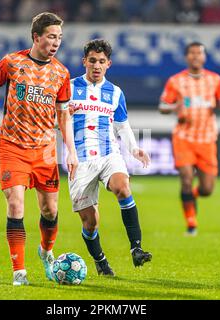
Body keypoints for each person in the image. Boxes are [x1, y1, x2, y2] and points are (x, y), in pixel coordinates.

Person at [0, 12, 78, 286]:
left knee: (50, 210)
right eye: (51, 37)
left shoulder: (61, 73)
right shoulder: (12, 62)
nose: (56, 43)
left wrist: (71, 150)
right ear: (36, 36)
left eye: (60, 38)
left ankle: (46, 250)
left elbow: (63, 114)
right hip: (12, 146)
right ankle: (19, 272)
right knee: (15, 204)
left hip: (45, 150)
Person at [68, 39, 152, 276]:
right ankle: (100, 260)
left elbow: (122, 125)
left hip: (108, 154)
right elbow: (54, 121)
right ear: (84, 61)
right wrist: (62, 116)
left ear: (108, 64)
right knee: (90, 222)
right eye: (92, 60)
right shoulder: (69, 88)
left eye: (101, 61)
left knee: (123, 187)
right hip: (80, 160)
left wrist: (134, 149)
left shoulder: (115, 93)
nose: (96, 65)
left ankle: (136, 248)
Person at [158, 42, 220, 236]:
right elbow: (163, 106)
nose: (196, 56)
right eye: (192, 53)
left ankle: (190, 197)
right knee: (187, 179)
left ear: (204, 57)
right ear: (186, 57)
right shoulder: (176, 81)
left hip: (207, 138)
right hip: (184, 137)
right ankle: (191, 223)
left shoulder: (215, 80)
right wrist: (175, 108)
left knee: (207, 189)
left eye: (199, 53)